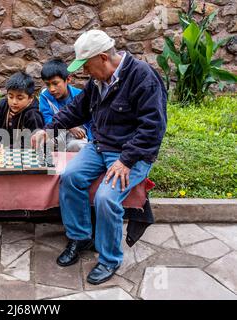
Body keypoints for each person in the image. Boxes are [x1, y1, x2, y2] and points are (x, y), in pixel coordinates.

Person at [31, 30, 167, 284]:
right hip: (101, 146)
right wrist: (49, 130)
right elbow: (77, 109)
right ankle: (81, 236)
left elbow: (154, 128)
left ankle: (109, 259)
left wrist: (126, 160)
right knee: (70, 177)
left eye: (86, 65)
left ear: (103, 57)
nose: (84, 72)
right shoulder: (97, 81)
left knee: (106, 197)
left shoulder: (143, 78)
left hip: (132, 154)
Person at [39, 58, 91, 151]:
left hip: (77, 135)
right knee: (45, 144)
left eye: (55, 83)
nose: (52, 89)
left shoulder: (80, 95)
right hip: (56, 132)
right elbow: (47, 120)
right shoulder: (45, 97)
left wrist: (91, 140)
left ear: (68, 79)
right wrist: (69, 127)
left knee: (78, 146)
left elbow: (90, 122)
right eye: (48, 84)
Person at [0, 71, 44, 150]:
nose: (14, 102)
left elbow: (31, 142)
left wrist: (7, 149)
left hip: (22, 150)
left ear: (30, 98)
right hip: (3, 144)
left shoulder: (34, 114)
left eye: (20, 98)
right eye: (10, 96)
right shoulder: (2, 105)